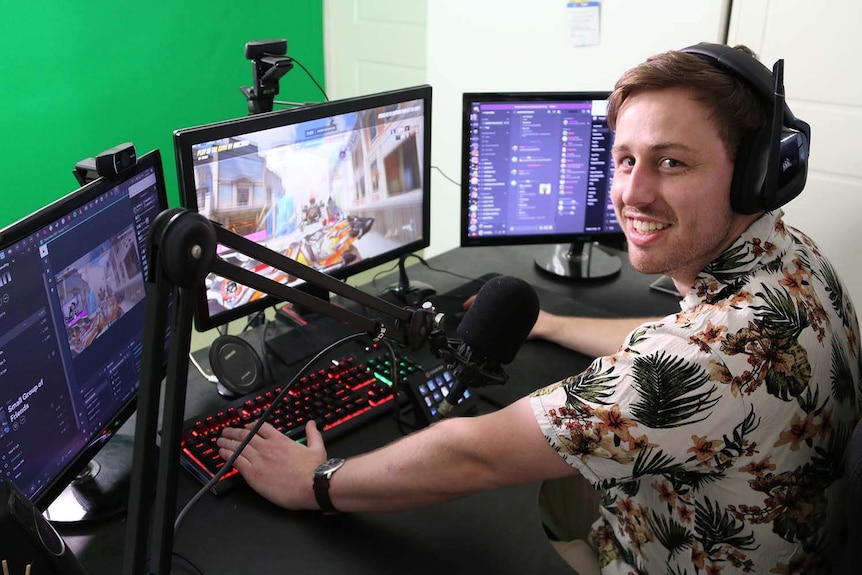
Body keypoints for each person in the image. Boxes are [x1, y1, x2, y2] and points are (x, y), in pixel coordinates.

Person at [218, 44, 862, 574]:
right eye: (626, 159)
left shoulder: (703, 360)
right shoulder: (792, 259)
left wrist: (315, 480)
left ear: (757, 173)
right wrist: (548, 322)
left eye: (672, 163)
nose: (632, 193)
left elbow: (474, 455)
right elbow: (677, 334)